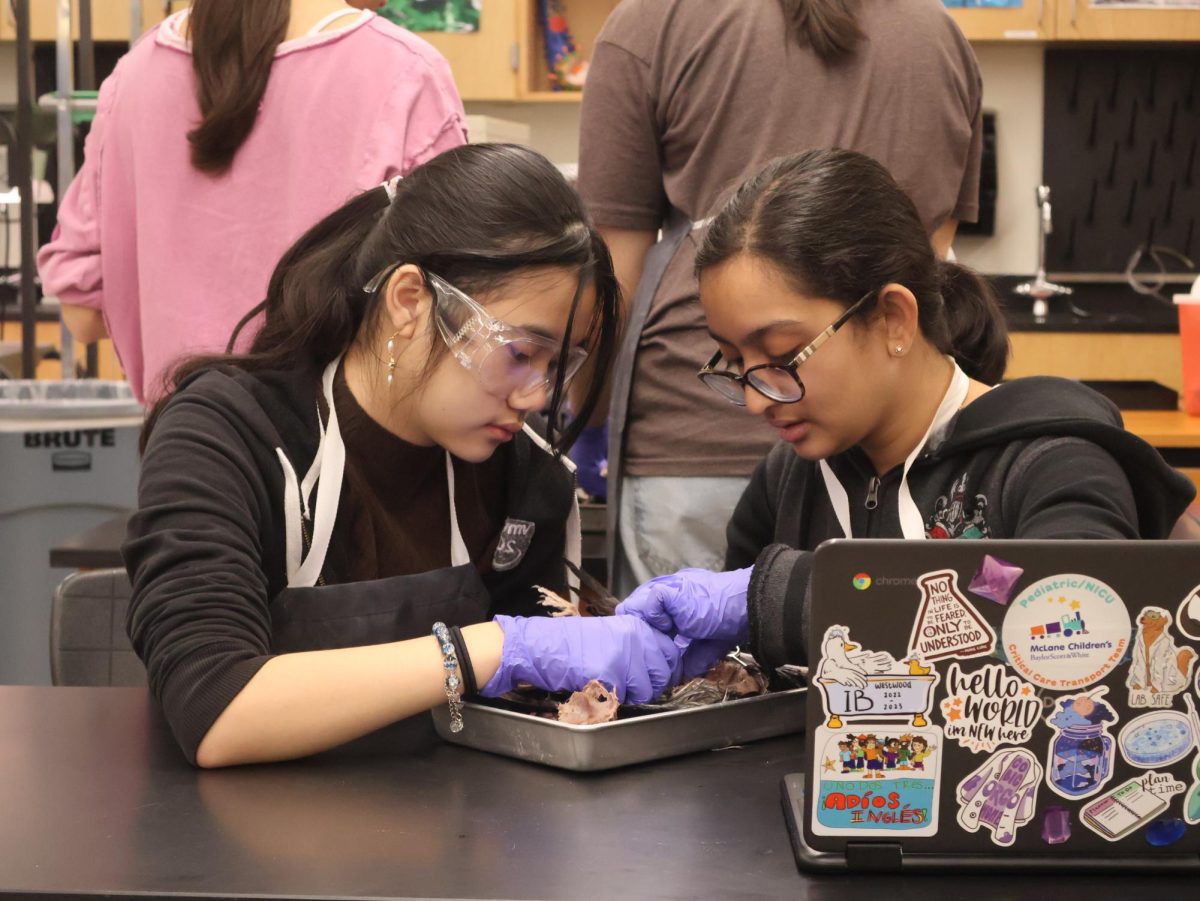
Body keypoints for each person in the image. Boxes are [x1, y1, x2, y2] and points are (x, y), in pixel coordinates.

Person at [124, 144, 682, 768]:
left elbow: (539, 716)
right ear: (411, 300)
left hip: (468, 840)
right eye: (522, 353)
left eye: (558, 366)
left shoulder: (523, 474)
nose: (536, 395)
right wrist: (489, 649)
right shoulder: (229, 435)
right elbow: (214, 708)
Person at [616, 148, 1195, 678]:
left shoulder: (1054, 464)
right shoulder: (790, 478)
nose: (756, 398)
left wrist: (775, 599)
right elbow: (751, 672)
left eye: (782, 356)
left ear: (893, 318)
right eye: (736, 359)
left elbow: (1070, 632)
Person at [577, 0, 986, 594]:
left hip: (693, 438)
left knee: (696, 676)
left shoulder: (654, 21)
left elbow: (612, 275)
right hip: (893, 454)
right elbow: (928, 258)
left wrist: (586, 418)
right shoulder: (939, 34)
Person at [38, 0, 467, 403]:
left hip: (182, 451)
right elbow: (455, 318)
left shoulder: (135, 75)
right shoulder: (404, 73)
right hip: (338, 463)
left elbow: (82, 313)